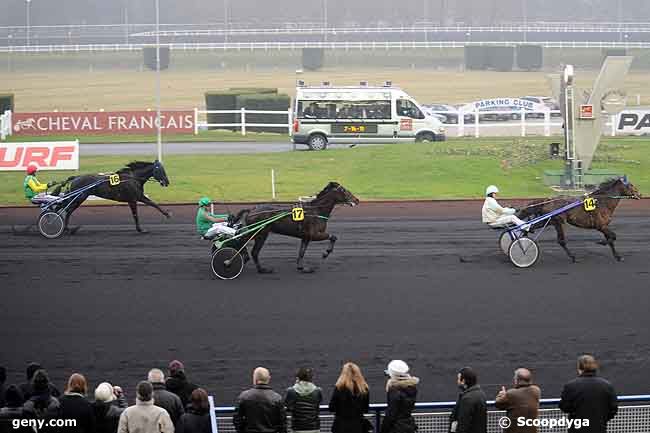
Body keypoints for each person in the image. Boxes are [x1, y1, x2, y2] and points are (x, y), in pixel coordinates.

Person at [559, 355, 618, 433]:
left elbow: (564, 407)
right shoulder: (607, 386)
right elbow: (613, 409)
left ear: (580, 369)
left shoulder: (571, 386)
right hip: (599, 428)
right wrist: (602, 419)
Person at [233, 367, 286, 433]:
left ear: (254, 379)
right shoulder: (277, 398)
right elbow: (282, 423)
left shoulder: (244, 396)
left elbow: (237, 419)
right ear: (268, 379)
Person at [495, 368, 541, 433]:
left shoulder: (511, 393)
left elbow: (498, 404)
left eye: (515, 378)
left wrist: (501, 395)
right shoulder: (536, 390)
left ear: (517, 380)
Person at [329, 362, 370, 433]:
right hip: (358, 427)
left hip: (341, 427)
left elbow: (332, 408)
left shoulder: (339, 388)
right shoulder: (364, 389)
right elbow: (365, 409)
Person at [380, 360, 419, 433]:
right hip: (409, 425)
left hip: (397, 428)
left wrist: (383, 430)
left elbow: (391, 415)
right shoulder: (412, 387)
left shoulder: (394, 391)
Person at [449, 367, 487, 433]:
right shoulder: (481, 394)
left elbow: (463, 424)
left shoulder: (467, 399)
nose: (457, 381)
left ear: (463, 381)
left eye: (458, 379)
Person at [284, 367, 322, 433]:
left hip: (297, 428)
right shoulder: (318, 391)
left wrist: (295, 385)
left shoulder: (291, 391)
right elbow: (318, 403)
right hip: (314, 427)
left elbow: (288, 406)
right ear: (311, 378)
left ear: (297, 378)